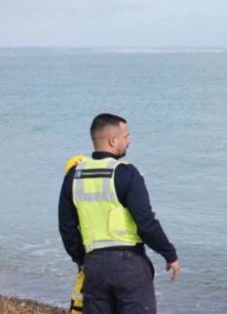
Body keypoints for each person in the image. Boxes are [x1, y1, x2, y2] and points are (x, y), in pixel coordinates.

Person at [58, 113, 180, 314]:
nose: (129, 141)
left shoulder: (74, 176)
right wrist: (169, 254)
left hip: (94, 265)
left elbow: (67, 227)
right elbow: (146, 223)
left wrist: (82, 260)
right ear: (113, 140)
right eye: (126, 136)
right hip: (129, 266)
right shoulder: (126, 172)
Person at [63, 154, 88, 314]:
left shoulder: (73, 188)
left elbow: (67, 227)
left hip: (88, 257)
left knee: (79, 297)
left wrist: (79, 258)